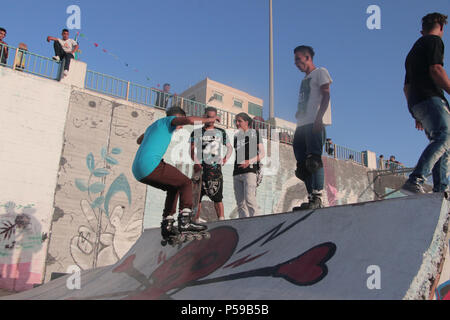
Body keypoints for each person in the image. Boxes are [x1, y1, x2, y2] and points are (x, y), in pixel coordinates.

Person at [132, 107, 220, 239]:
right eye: (181, 124)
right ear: (177, 118)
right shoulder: (170, 120)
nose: (181, 127)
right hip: (150, 165)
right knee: (186, 183)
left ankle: (167, 223)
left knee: (174, 187)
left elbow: (139, 140)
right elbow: (189, 120)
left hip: (138, 170)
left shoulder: (154, 126)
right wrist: (209, 119)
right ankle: (185, 221)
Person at [403, 13, 450, 193]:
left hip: (417, 103)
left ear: (421, 30)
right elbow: (436, 69)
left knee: (443, 147)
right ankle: (416, 179)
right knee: (445, 137)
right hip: (431, 98)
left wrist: (415, 114)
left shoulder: (412, 53)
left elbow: (406, 87)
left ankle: (441, 192)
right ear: (441, 27)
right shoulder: (434, 41)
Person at [292, 45, 333, 210]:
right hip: (301, 124)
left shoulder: (320, 72)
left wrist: (319, 118)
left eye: (298, 59)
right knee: (302, 166)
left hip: (315, 122)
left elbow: (326, 94)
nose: (296, 63)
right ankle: (310, 199)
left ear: (307, 57)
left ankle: (318, 197)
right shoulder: (304, 79)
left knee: (313, 161)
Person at [190, 107, 233, 222]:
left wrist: (225, 158)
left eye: (213, 117)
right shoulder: (197, 132)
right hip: (200, 169)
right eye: (209, 117)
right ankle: (195, 220)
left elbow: (229, 147)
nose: (211, 120)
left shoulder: (221, 132)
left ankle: (221, 220)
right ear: (204, 117)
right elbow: (191, 150)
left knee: (218, 198)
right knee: (197, 198)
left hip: (215, 170)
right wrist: (197, 162)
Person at [233, 113, 265, 218]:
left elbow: (262, 153)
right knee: (240, 203)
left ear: (246, 122)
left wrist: (249, 161)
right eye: (236, 121)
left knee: (249, 199)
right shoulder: (236, 136)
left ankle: (255, 221)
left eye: (239, 121)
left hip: (250, 171)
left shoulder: (254, 133)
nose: (237, 123)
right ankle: (243, 223)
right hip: (237, 172)